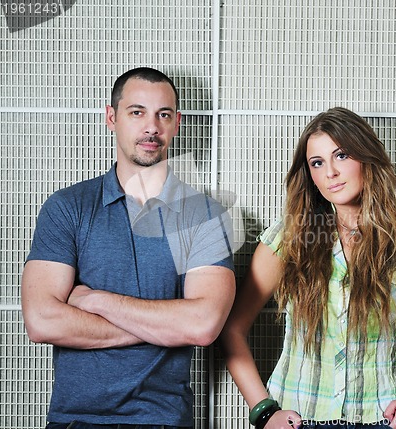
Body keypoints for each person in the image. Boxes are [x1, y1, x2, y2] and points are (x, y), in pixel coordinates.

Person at [219, 107, 396, 429]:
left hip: (383, 419)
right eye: (317, 163)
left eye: (342, 155)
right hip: (297, 418)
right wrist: (264, 412)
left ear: (367, 158)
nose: (331, 172)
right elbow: (232, 328)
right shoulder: (287, 240)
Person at [21, 67, 236, 428]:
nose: (152, 127)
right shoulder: (67, 207)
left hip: (164, 420)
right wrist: (165, 326)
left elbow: (202, 326)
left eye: (163, 114)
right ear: (111, 118)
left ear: (177, 123)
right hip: (75, 421)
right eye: (137, 112)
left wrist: (96, 301)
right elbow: (42, 321)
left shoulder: (204, 215)